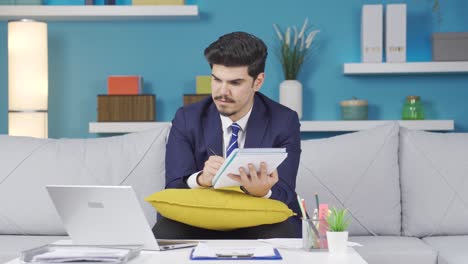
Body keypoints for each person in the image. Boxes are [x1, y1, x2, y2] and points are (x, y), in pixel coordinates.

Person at [152, 31, 302, 239]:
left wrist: (262, 191)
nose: (222, 92)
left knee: (283, 231)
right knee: (165, 231)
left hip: (258, 219)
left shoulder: (284, 121)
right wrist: (201, 179)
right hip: (200, 219)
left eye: (234, 83)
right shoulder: (187, 118)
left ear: (257, 82)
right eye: (216, 80)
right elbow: (173, 185)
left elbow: (285, 191)